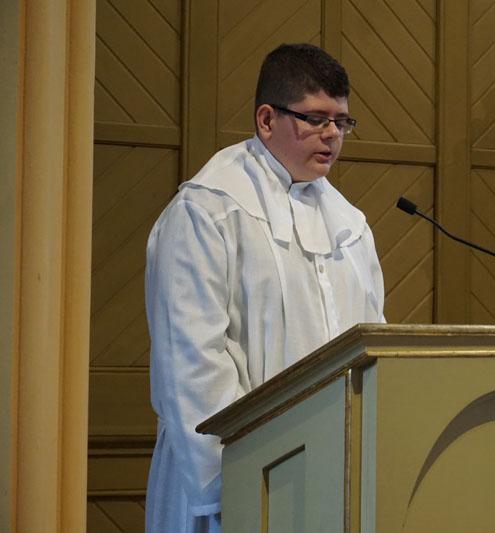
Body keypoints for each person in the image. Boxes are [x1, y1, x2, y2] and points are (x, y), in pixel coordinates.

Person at [143, 43, 385, 533]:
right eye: (316, 119)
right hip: (236, 483)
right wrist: (238, 481)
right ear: (267, 119)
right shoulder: (208, 211)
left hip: (331, 475)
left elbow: (372, 345)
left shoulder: (350, 226)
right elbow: (190, 364)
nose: (332, 134)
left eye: (342, 122)